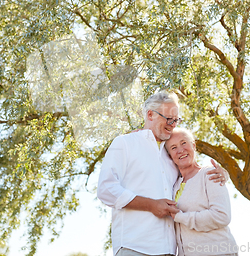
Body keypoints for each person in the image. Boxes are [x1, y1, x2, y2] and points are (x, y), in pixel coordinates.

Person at [97, 91, 228, 256]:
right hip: (135, 246)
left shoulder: (170, 153)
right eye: (168, 119)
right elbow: (106, 189)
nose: (173, 124)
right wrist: (151, 205)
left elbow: (190, 177)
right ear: (150, 114)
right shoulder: (125, 143)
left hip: (169, 250)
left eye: (176, 120)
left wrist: (223, 174)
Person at [165, 127, 238, 256]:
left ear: (193, 145)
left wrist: (182, 217)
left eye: (183, 143)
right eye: (173, 147)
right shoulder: (173, 185)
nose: (180, 150)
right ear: (170, 156)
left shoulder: (210, 173)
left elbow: (222, 216)